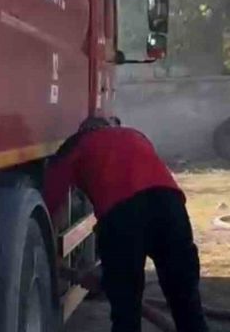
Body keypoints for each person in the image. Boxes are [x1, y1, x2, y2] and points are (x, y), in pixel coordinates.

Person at [43, 116, 209, 332]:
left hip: (123, 215)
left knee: (126, 309)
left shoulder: (77, 144)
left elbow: (53, 200)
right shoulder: (135, 135)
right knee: (185, 300)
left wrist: (51, 252)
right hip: (171, 208)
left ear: (83, 130)